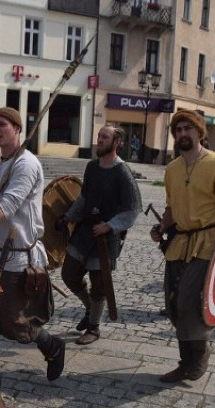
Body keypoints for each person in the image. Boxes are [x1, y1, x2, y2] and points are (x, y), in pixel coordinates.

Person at [0, 106, 65, 391]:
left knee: (16, 325)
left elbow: (8, 207)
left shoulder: (27, 164)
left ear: (18, 129)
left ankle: (53, 346)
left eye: (3, 125)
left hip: (19, 258)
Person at [149, 109, 215, 383]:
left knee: (189, 301)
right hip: (180, 243)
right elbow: (172, 207)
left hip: (209, 243)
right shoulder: (173, 169)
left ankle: (198, 357)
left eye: (188, 129)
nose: (183, 134)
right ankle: (185, 362)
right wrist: (161, 228)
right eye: (178, 130)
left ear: (200, 132)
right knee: (174, 304)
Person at [56, 125, 140, 345]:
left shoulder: (122, 172)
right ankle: (88, 308)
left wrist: (110, 226)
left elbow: (132, 209)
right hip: (85, 231)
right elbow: (84, 198)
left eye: (105, 137)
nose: (100, 140)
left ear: (117, 142)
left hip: (106, 237)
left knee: (99, 285)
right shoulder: (92, 167)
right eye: (99, 136)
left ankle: (93, 328)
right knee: (69, 275)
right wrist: (68, 217)